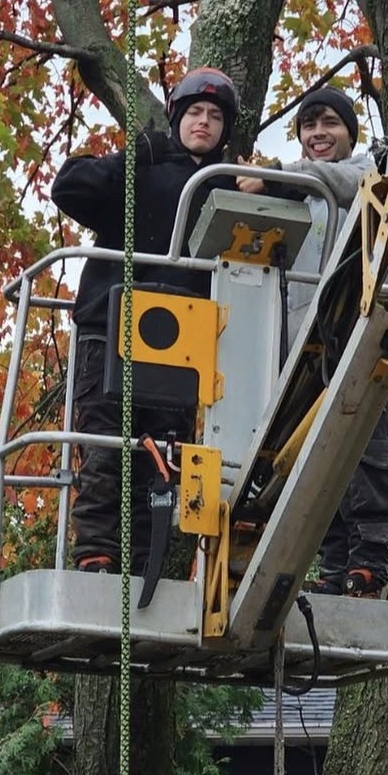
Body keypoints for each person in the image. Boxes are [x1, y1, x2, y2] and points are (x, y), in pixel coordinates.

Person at [51, 67, 238, 575]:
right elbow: (67, 187)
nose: (204, 122)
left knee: (160, 461)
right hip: (110, 328)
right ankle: (95, 555)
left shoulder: (225, 188)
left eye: (215, 116)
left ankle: (141, 566)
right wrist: (131, 160)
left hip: (182, 343)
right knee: (107, 446)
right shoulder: (143, 168)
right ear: (178, 118)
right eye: (195, 112)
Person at [238, 84, 388, 598]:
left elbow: (341, 179)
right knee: (311, 458)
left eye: (329, 123)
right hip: (305, 347)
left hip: (363, 330)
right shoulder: (296, 193)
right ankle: (334, 567)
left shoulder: (372, 174)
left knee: (366, 449)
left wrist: (274, 177)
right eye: (309, 126)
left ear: (350, 133)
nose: (318, 134)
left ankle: (369, 560)